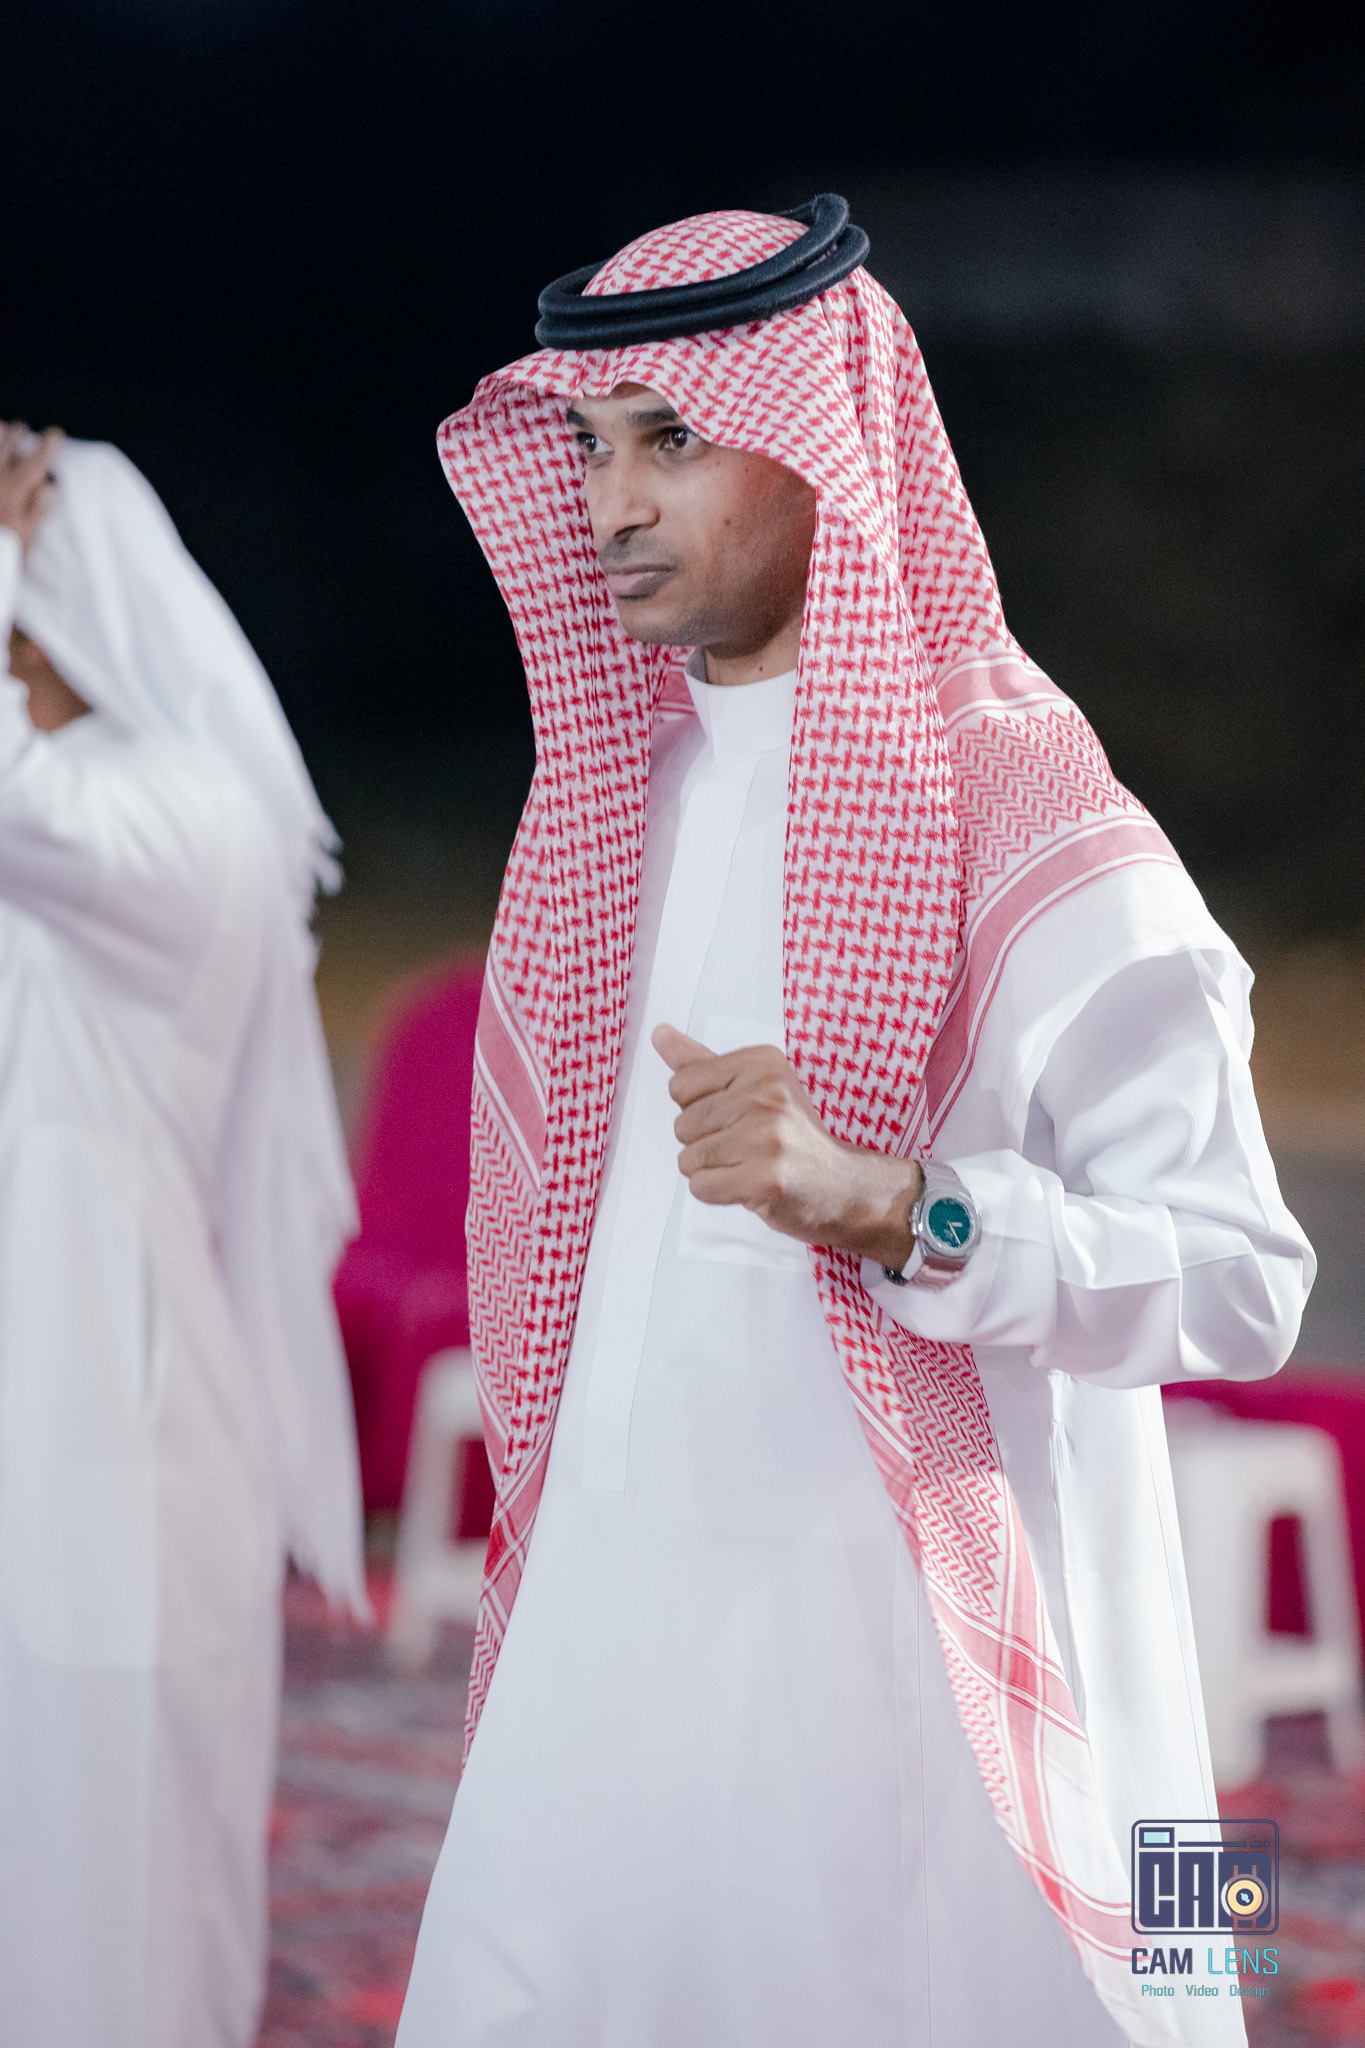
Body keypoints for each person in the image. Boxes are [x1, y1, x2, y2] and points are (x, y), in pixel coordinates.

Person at [396, 201, 1313, 2047]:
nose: (613, 503)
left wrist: (904, 1207)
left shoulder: (1028, 812)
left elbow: (1243, 1283)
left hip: (918, 1649)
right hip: (608, 1604)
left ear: (822, 442)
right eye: (592, 446)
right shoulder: (614, 796)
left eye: (673, 439)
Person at [0, 426, 366, 2048]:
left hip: (116, 1413)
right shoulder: (79, 819)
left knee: (112, 1854)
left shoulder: (177, 816)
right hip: (54, 1379)